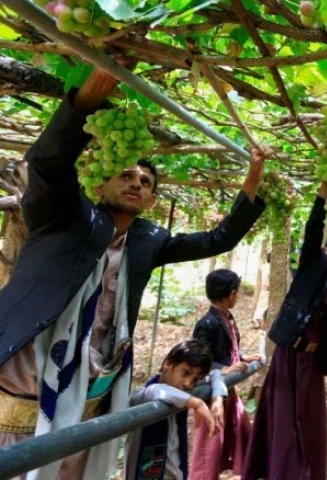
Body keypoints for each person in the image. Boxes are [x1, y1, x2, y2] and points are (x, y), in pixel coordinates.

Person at [0, 62, 270, 480]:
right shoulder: (65, 217)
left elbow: (217, 240)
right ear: (100, 183)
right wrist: (85, 102)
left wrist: (251, 181)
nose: (137, 183)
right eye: (126, 174)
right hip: (17, 404)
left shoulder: (147, 241)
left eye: (146, 182)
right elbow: (47, 165)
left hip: (89, 405)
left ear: (150, 201)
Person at [242, 181, 327, 480]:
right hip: (290, 351)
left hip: (312, 361)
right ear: (326, 249)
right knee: (281, 417)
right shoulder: (311, 263)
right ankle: (277, 470)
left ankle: (305, 471)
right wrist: (324, 193)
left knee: (308, 421)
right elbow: (313, 227)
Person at [191, 269, 264, 480]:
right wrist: (223, 370)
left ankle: (249, 468)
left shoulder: (227, 318)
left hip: (227, 389)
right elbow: (198, 359)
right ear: (231, 294)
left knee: (241, 428)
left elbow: (230, 347)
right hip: (209, 394)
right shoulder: (207, 323)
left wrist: (242, 357)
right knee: (209, 445)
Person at [124, 339, 226, 480]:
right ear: (168, 364)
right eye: (185, 373)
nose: (188, 384)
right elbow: (155, 391)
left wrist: (217, 398)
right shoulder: (145, 396)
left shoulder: (181, 396)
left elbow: (215, 374)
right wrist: (198, 404)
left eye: (195, 380)